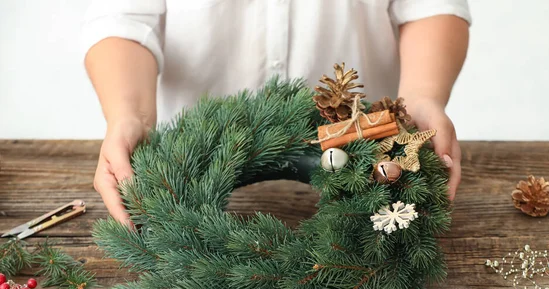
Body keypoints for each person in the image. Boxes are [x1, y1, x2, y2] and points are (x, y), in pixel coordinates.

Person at [82, 0, 470, 225]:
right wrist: (128, 114)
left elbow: (430, 6)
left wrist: (421, 97)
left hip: (363, 143)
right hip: (191, 150)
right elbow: (123, 17)